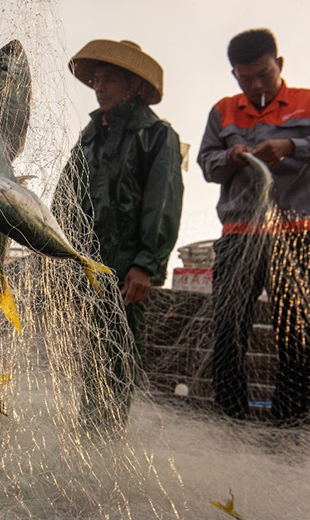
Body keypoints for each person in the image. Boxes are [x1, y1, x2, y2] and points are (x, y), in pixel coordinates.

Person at [198, 29, 310, 424]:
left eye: (264, 73)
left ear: (280, 66)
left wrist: (292, 147)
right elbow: (207, 162)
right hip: (239, 237)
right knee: (227, 330)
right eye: (245, 77)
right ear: (234, 75)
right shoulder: (223, 111)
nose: (256, 84)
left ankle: (289, 423)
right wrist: (231, 155)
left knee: (296, 335)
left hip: (296, 235)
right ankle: (230, 419)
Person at [51, 39, 184, 423]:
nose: (99, 87)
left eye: (109, 79)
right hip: (87, 265)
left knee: (118, 354)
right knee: (92, 352)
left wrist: (146, 264)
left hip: (127, 270)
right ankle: (87, 434)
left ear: (135, 87)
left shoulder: (158, 136)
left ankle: (104, 441)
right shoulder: (89, 137)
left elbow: (162, 203)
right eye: (95, 79)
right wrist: (62, 255)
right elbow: (66, 197)